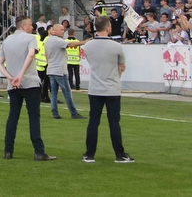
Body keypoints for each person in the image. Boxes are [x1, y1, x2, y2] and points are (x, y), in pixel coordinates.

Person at [0, 15, 55, 161]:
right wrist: (21, 75)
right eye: (30, 24)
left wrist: (11, 77)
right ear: (23, 26)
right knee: (34, 117)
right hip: (29, 82)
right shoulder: (31, 38)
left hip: (13, 84)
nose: (32, 27)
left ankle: (8, 150)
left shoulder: (7, 40)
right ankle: (38, 151)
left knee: (13, 116)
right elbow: (30, 55)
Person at [82, 16, 135, 163]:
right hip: (112, 88)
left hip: (95, 88)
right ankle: (119, 154)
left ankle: (89, 154)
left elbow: (91, 62)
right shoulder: (116, 46)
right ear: (108, 27)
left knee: (93, 121)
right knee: (114, 122)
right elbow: (122, 66)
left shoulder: (89, 45)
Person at [43, 23, 85, 120]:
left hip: (51, 69)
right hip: (59, 70)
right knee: (67, 92)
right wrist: (84, 42)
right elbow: (70, 44)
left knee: (54, 93)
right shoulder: (58, 40)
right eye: (61, 30)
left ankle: (55, 113)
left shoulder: (48, 40)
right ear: (54, 31)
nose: (63, 31)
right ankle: (73, 113)